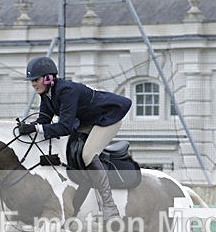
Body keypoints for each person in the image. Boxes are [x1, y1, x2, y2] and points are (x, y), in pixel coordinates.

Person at [18, 56, 131, 222]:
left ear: (48, 78)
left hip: (107, 118)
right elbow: (44, 121)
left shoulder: (66, 90)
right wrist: (28, 127)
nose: (33, 84)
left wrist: (36, 128)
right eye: (31, 81)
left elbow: (65, 127)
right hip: (87, 121)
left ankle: (109, 206)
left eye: (36, 80)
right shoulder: (46, 94)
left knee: (87, 154)